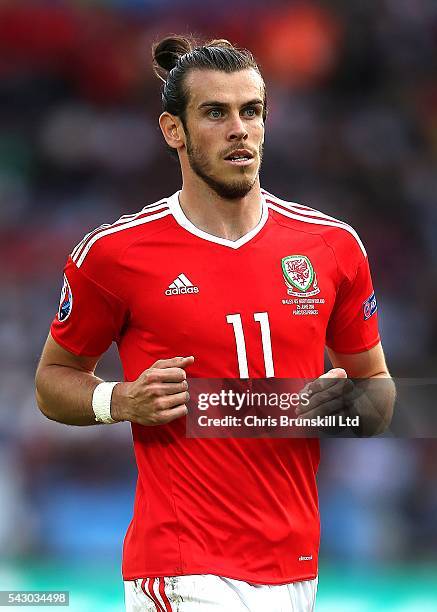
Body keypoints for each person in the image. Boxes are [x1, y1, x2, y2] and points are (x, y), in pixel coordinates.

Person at [35, 36, 395, 612]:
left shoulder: (331, 247)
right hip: (182, 571)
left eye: (251, 111)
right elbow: (53, 381)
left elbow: (378, 396)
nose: (238, 129)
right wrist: (120, 400)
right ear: (172, 131)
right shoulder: (114, 254)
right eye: (215, 112)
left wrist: (336, 406)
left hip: (297, 569)